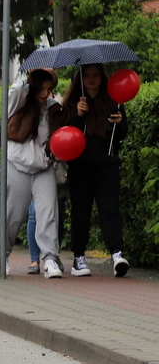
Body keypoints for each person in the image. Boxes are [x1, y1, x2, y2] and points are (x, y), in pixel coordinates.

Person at [0, 68, 65, 278]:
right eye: (42, 88)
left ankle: (50, 258)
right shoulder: (19, 102)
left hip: (43, 166)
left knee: (48, 211)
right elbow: (15, 90)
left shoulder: (53, 108)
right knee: (13, 214)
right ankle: (2, 255)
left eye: (49, 89)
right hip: (17, 163)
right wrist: (28, 81)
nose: (45, 93)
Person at [64, 63, 129, 277]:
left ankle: (117, 254)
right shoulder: (73, 102)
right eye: (87, 75)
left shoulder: (113, 100)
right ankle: (79, 257)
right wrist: (79, 115)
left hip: (106, 163)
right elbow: (66, 135)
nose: (91, 79)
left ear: (102, 77)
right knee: (80, 211)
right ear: (80, 79)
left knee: (110, 210)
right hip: (80, 166)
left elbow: (121, 134)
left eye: (96, 75)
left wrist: (119, 122)